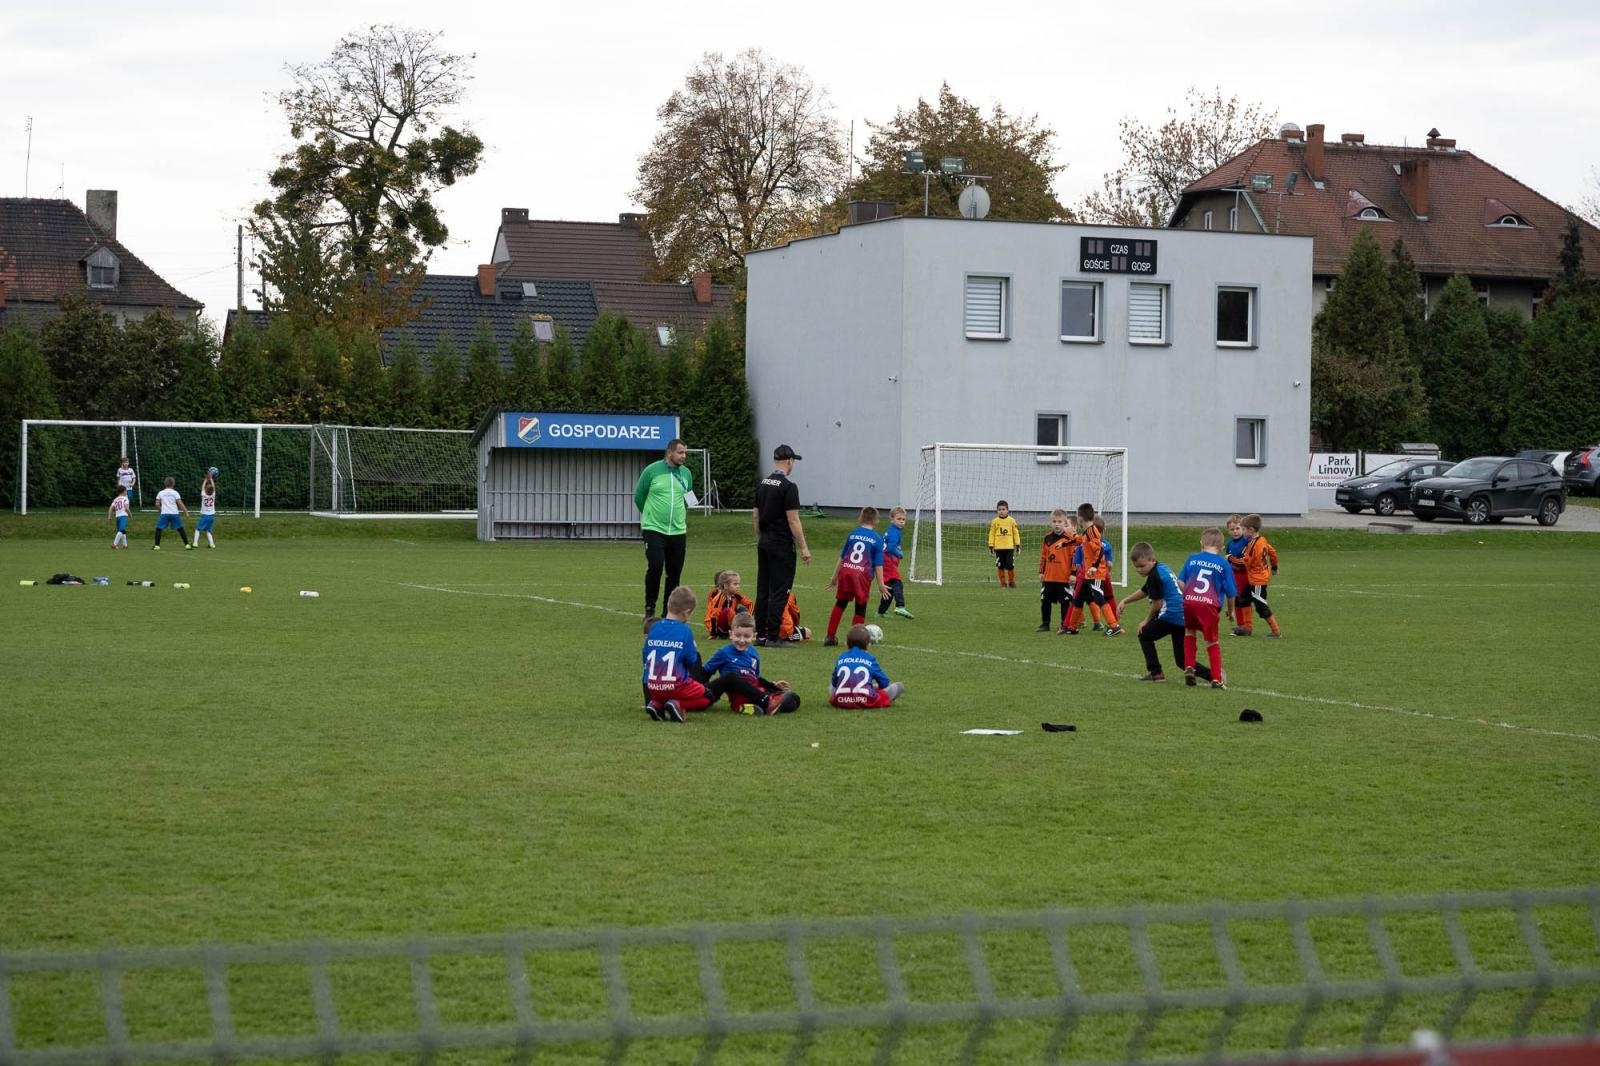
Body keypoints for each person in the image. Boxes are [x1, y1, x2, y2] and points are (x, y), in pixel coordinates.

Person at [1117, 542, 1219, 684]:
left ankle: (1156, 673)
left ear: (1152, 560)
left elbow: (1157, 604)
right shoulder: (1161, 568)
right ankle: (1214, 675)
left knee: (1144, 634)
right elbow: (1145, 591)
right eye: (1136, 567)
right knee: (1182, 660)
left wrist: (1145, 621)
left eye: (1142, 566)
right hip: (1183, 616)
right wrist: (1125, 601)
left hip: (1171, 615)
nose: (1139, 570)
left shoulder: (1155, 576)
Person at [753, 444, 812, 648]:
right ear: (789, 461)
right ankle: (773, 636)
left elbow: (755, 515)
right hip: (781, 545)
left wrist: (760, 537)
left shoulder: (762, 484)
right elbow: (793, 520)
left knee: (763, 589)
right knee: (780, 591)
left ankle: (760, 634)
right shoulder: (788, 487)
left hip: (764, 542)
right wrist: (804, 547)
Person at [634, 438, 694, 620]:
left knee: (674, 573)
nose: (684, 456)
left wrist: (680, 516)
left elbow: (689, 498)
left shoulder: (686, 473)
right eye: (680, 452)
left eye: (685, 453)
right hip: (654, 529)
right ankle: (649, 609)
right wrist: (650, 516)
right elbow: (639, 496)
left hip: (678, 531)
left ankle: (669, 612)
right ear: (669, 453)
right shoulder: (651, 471)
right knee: (656, 565)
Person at [704, 613, 800, 715]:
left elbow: (755, 677)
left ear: (754, 636)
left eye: (746, 636)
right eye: (737, 635)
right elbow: (705, 671)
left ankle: (759, 706)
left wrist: (773, 685)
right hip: (738, 694)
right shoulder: (723, 653)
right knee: (742, 688)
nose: (742, 640)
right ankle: (748, 706)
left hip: (756, 690)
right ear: (731, 634)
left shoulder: (753, 653)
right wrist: (702, 693)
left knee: (793, 698)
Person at [641, 586, 713, 722]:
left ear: (668, 605)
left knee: (668, 692)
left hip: (653, 687)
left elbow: (646, 655)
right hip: (675, 686)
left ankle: (657, 705)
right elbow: (692, 660)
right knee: (707, 696)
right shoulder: (684, 630)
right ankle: (678, 704)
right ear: (686, 612)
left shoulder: (654, 627)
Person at [1178, 528, 1237, 689]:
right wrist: (1231, 611)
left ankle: (1189, 667)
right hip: (1209, 606)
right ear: (1222, 548)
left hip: (1189, 602)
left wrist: (1188, 596)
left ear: (1201, 544)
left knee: (1190, 632)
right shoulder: (1223, 564)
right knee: (1212, 641)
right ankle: (1216, 679)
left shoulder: (1192, 559)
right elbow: (1231, 592)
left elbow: (1180, 582)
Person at [824, 506, 884, 647]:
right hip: (861, 575)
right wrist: (881, 584)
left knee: (840, 603)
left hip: (846, 571)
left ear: (860, 518)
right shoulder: (877, 539)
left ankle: (830, 637)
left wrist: (834, 577)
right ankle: (855, 641)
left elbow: (842, 557)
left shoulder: (852, 534)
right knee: (860, 607)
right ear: (876, 521)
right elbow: (878, 564)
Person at [1060, 504, 1123, 636]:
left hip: (1096, 573)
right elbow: (1079, 540)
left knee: (1099, 598)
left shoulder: (1092, 531)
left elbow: (1100, 550)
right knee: (1078, 600)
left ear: (1080, 518)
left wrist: (1094, 566)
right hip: (1088, 573)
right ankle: (1072, 627)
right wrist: (1065, 543)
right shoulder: (1088, 531)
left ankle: (1114, 626)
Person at [829, 624, 906, 709]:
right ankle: (867, 691)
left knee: (831, 686)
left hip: (840, 701)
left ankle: (861, 690)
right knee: (899, 686)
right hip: (867, 701)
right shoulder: (870, 659)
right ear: (868, 645)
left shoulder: (841, 657)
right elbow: (885, 683)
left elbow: (834, 683)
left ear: (846, 644)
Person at [1234, 513, 1282, 638]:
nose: (1242, 532)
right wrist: (1274, 567)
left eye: (1243, 529)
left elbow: (1248, 562)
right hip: (1253, 578)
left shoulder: (1255, 545)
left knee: (1260, 605)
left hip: (1258, 580)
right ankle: (1247, 628)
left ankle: (1276, 631)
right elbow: (1272, 552)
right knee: (1243, 599)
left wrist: (1231, 559)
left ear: (1251, 530)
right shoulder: (1262, 540)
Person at [1037, 508, 1076, 632]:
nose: (1057, 524)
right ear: (1051, 523)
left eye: (1059, 522)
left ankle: (1064, 624)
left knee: (1065, 602)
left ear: (1065, 523)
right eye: (1054, 522)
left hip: (1064, 577)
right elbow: (1043, 556)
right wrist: (1041, 572)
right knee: (1045, 600)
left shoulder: (1070, 539)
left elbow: (1074, 558)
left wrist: (1073, 574)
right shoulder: (1047, 538)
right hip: (1049, 577)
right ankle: (1045, 623)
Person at [876, 506, 913, 620]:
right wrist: (899, 554)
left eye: (903, 519)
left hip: (884, 561)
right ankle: (900, 606)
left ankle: (881, 612)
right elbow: (891, 548)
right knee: (897, 583)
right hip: (887, 562)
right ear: (892, 519)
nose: (901, 521)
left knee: (889, 588)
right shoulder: (894, 532)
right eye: (899, 519)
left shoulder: (892, 530)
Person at [704, 569, 755, 639]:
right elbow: (714, 616)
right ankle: (734, 632)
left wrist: (748, 617)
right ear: (726, 586)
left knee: (742, 610)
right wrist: (713, 633)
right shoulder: (719, 598)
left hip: (730, 622)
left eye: (738, 584)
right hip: (719, 627)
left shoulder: (736, 595)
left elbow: (750, 604)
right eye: (735, 584)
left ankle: (746, 630)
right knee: (728, 611)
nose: (738, 586)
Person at [1224, 515, 1252, 636]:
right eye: (1232, 529)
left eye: (1237, 528)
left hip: (1245, 575)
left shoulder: (1247, 541)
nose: (1235, 531)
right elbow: (1227, 560)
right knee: (1236, 599)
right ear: (1228, 530)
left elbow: (1249, 559)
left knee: (1244, 600)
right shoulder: (1230, 544)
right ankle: (1240, 625)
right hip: (1234, 575)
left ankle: (1246, 625)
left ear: (1243, 528)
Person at [151, 476, 191, 551]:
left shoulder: (161, 492)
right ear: (173, 484)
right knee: (180, 529)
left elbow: (157, 504)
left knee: (159, 529)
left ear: (165, 483)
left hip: (164, 514)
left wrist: (161, 509)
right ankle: (187, 545)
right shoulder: (175, 493)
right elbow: (180, 503)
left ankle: (157, 546)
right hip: (174, 513)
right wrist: (186, 512)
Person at [987, 500, 1020, 588]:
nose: (1001, 511)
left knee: (1010, 565)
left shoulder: (1012, 521)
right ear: (997, 510)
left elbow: (1016, 533)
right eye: (999, 509)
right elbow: (991, 534)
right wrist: (991, 546)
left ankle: (1012, 582)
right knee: (1000, 565)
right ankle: (1003, 583)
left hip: (1009, 548)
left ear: (1007, 510)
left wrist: (1017, 545)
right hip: (998, 548)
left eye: (1003, 509)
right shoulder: (994, 521)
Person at [196, 470, 219, 548]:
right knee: (208, 531)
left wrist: (206, 479)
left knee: (198, 529)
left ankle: (195, 543)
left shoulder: (204, 495)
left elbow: (202, 487)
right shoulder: (213, 495)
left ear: (205, 490)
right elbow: (213, 487)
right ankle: (212, 544)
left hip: (204, 515)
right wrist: (211, 479)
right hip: (211, 516)